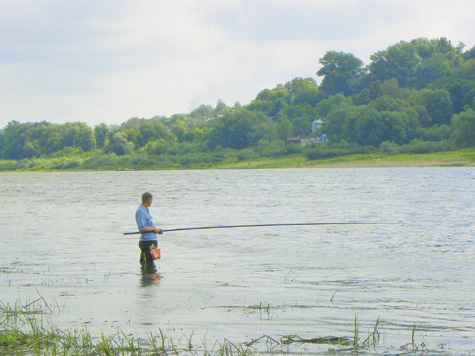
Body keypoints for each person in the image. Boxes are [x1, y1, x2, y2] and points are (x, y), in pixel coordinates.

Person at [135, 192, 163, 267]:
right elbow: (142, 228)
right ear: (148, 200)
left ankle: (150, 277)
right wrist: (154, 229)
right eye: (151, 201)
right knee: (147, 264)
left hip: (151, 241)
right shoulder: (140, 211)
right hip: (147, 242)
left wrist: (157, 230)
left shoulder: (145, 210)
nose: (151, 202)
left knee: (151, 263)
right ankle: (146, 278)